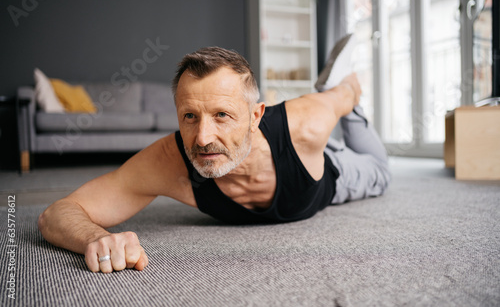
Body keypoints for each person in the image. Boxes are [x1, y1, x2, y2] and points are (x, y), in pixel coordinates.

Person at [38, 42, 391, 274]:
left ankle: (332, 98)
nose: (203, 139)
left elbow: (348, 91)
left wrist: (341, 92)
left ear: (256, 116)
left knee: (381, 171)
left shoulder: (308, 121)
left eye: (222, 115)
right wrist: (93, 238)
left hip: (329, 168)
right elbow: (57, 214)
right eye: (190, 117)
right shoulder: (168, 160)